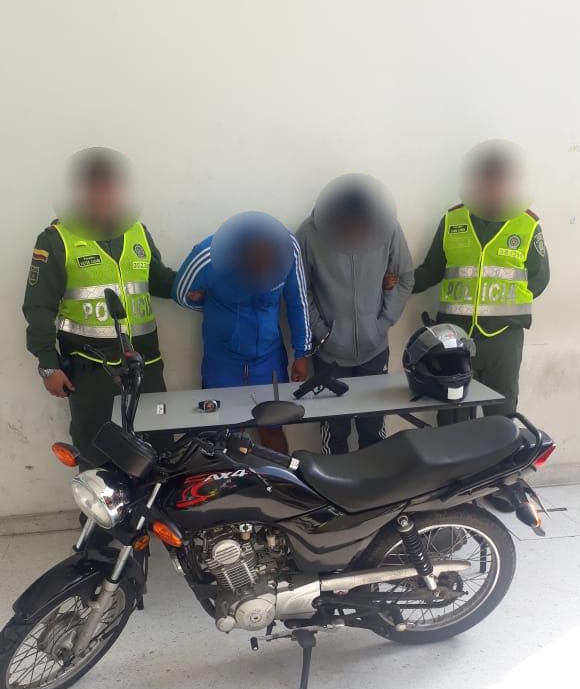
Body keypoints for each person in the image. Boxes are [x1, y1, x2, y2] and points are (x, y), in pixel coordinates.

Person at [23, 147, 176, 465]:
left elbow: (158, 280)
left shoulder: (137, 231)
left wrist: (194, 287)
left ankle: (152, 500)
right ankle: (98, 501)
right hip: (92, 370)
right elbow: (38, 307)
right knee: (97, 452)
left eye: (110, 187)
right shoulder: (56, 240)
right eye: (94, 188)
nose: (103, 195)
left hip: (146, 364)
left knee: (158, 448)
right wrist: (48, 364)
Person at [413, 143, 550, 419]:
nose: (493, 187)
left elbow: (539, 279)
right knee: (453, 416)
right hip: (455, 336)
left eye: (500, 180)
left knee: (501, 416)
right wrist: (395, 285)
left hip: (503, 339)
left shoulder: (527, 224)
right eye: (487, 180)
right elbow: (431, 270)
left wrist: (503, 304)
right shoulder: (453, 220)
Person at [172, 212, 312, 451]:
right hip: (222, 363)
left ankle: (276, 477)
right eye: (254, 271)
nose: (261, 279)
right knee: (224, 435)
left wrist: (302, 353)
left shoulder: (288, 248)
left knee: (272, 428)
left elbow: (297, 301)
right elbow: (180, 294)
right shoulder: (207, 255)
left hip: (269, 361)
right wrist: (208, 305)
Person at [296, 174, 414, 454]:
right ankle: (334, 480)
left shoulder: (387, 227)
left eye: (360, 222)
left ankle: (373, 480)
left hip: (375, 350)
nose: (354, 229)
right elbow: (300, 290)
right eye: (348, 222)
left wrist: (382, 323)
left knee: (373, 428)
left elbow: (404, 278)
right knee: (335, 430)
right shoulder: (310, 233)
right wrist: (323, 332)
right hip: (330, 354)